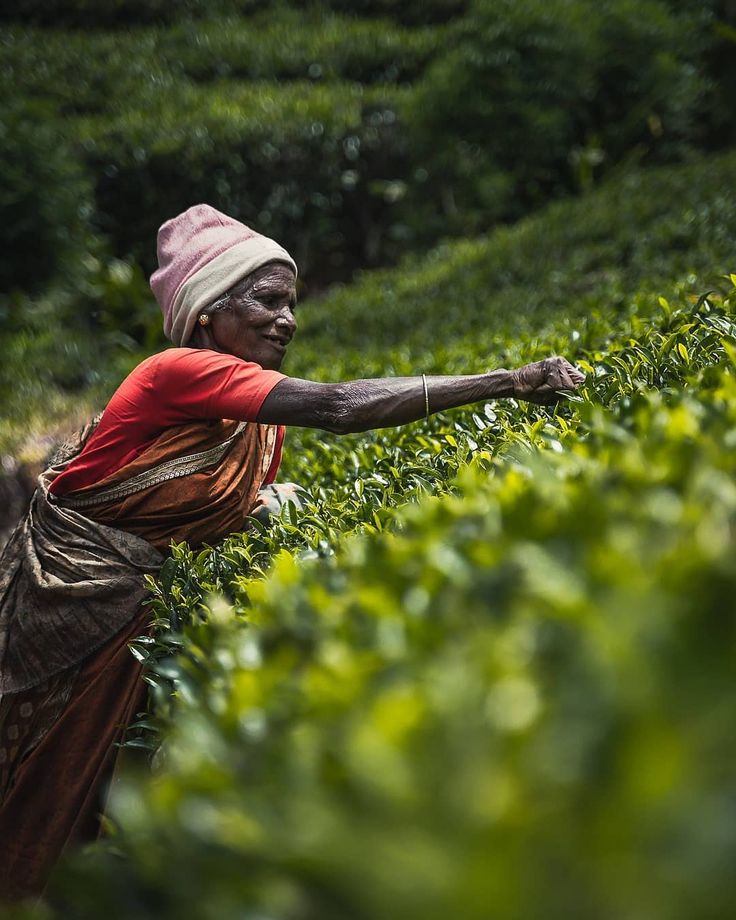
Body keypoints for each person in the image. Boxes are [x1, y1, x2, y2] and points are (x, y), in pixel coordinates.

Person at [0, 205, 585, 901]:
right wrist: (510, 382)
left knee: (88, 793)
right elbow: (338, 407)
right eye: (268, 300)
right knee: (38, 774)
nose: (288, 320)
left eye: (292, 304)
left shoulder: (256, 427)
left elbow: (221, 516)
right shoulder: (176, 372)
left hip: (133, 623)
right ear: (208, 314)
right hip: (72, 608)